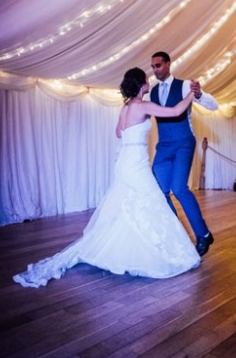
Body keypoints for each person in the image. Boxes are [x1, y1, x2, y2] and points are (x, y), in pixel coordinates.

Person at [14, 68, 201, 288]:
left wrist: (137, 127)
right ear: (142, 84)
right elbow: (176, 111)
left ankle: (122, 248)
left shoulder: (126, 107)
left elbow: (119, 133)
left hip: (124, 161)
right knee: (152, 201)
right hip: (136, 164)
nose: (149, 82)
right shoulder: (142, 105)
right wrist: (191, 94)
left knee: (128, 205)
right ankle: (160, 254)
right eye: (146, 80)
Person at [150, 51, 218, 256]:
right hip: (163, 146)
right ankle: (177, 235)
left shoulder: (185, 85)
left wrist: (198, 94)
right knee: (160, 192)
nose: (155, 70)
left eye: (158, 65)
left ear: (168, 64)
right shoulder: (152, 91)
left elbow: (213, 105)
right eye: (153, 67)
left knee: (178, 188)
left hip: (183, 143)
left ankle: (203, 234)